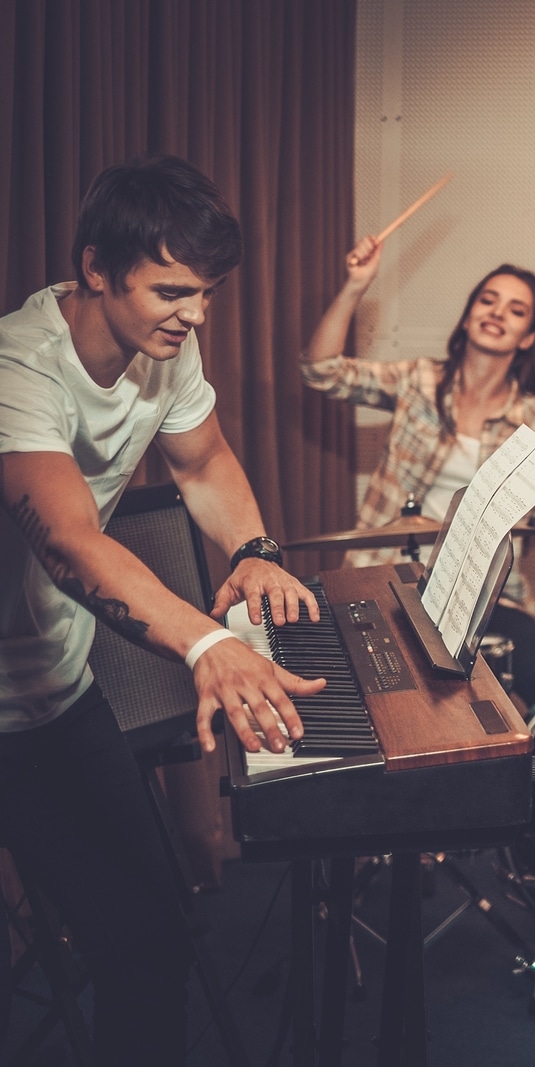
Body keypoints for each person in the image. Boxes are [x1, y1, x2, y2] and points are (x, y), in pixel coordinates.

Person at [0, 154, 326, 1061]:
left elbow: (203, 461)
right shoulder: (17, 366)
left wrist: (255, 550)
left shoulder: (164, 349)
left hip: (55, 691)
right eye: (174, 290)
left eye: (208, 291)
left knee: (151, 941)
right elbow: (67, 542)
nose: (197, 312)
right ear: (96, 268)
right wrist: (207, 643)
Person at [302, 248, 535, 703]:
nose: (497, 314)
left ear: (528, 337)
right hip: (382, 577)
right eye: (488, 300)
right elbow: (321, 370)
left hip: (478, 599)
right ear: (469, 315)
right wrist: (356, 284)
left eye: (516, 310)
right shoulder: (418, 381)